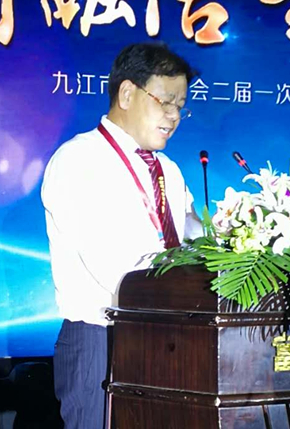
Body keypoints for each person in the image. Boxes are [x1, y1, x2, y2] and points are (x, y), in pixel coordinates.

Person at [41, 42, 201, 429]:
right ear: (127, 93)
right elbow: (110, 265)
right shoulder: (78, 159)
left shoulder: (169, 169)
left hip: (168, 336)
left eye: (181, 106)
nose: (174, 116)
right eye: (166, 101)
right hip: (103, 339)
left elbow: (194, 239)